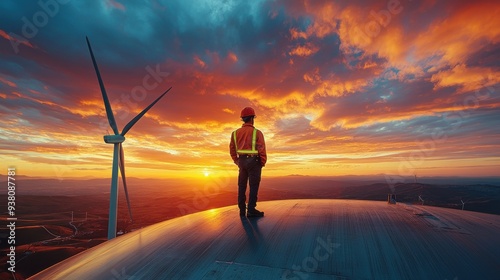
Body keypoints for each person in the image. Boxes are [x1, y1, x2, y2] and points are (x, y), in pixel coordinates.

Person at [229, 107, 267, 217]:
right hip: (254, 162)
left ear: (243, 119)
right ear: (252, 118)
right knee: (253, 185)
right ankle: (251, 210)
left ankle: (241, 210)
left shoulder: (235, 133)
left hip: (241, 161)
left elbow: (232, 149)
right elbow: (261, 149)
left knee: (241, 185)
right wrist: (262, 162)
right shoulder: (257, 133)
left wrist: (237, 160)